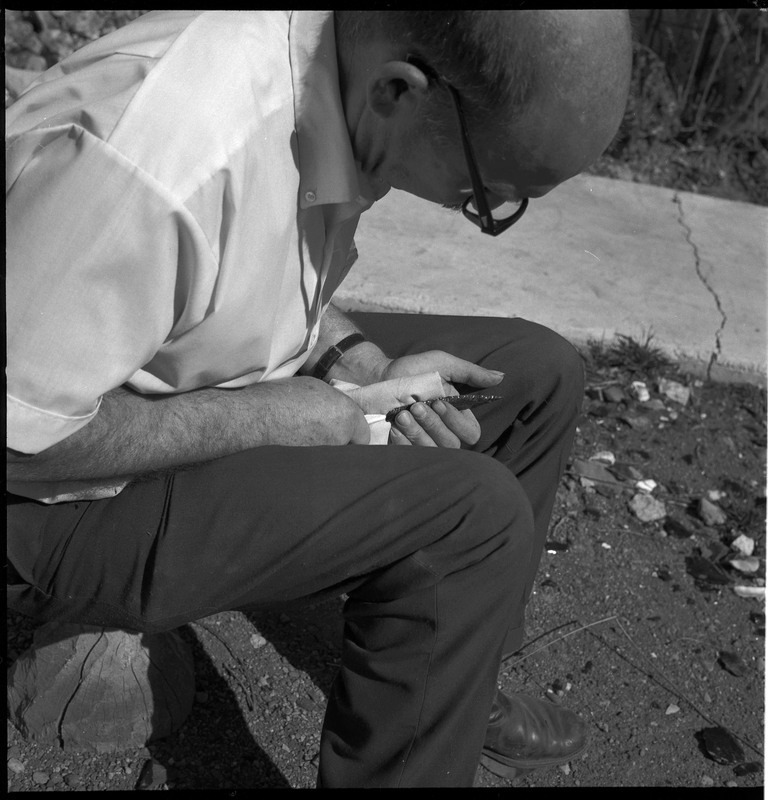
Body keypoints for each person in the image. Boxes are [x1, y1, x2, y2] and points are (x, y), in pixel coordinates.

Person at [6, 9, 632, 788]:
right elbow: (20, 434)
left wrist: (359, 363)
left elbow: (252, 264)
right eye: (487, 193)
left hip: (177, 381)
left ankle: (460, 683)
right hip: (48, 508)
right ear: (400, 92)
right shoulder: (159, 157)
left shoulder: (338, 70)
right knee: (472, 517)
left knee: (539, 374)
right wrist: (272, 417)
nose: (479, 215)